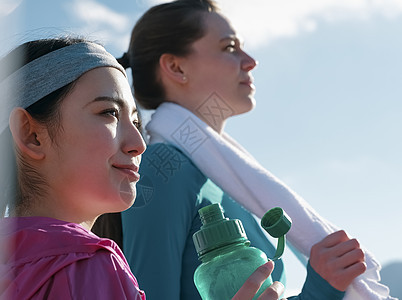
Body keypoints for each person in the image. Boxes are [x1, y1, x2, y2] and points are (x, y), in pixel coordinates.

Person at [0, 36, 285, 300]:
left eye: (137, 121)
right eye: (109, 113)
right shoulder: (87, 263)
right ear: (31, 134)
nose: (138, 143)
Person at [119, 0, 393, 299]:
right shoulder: (163, 167)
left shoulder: (224, 178)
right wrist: (320, 288)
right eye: (229, 47)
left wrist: (324, 283)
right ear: (176, 67)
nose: (250, 61)